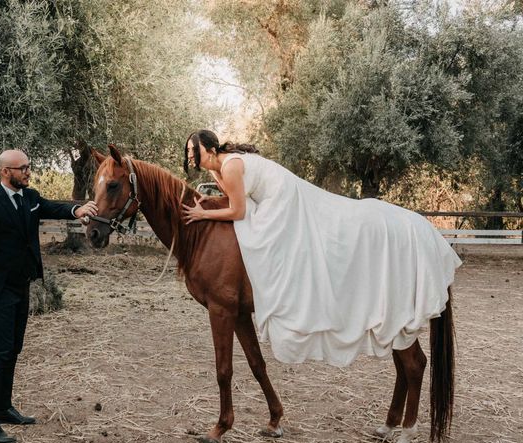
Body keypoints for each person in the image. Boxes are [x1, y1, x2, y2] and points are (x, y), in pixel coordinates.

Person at [182, 129, 462, 368]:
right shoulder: (218, 170)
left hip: (280, 196)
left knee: (270, 243)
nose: (190, 157)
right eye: (189, 153)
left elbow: (238, 210)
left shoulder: (230, 166)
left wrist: (203, 215)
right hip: (269, 198)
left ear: (208, 148)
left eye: (193, 151)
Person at [0, 149, 98, 443]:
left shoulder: (30, 197)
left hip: (21, 287)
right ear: (5, 172)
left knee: (13, 349)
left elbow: (54, 207)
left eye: (29, 166)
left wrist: (77, 210)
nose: (28, 172)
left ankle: (3, 407)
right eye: (22, 168)